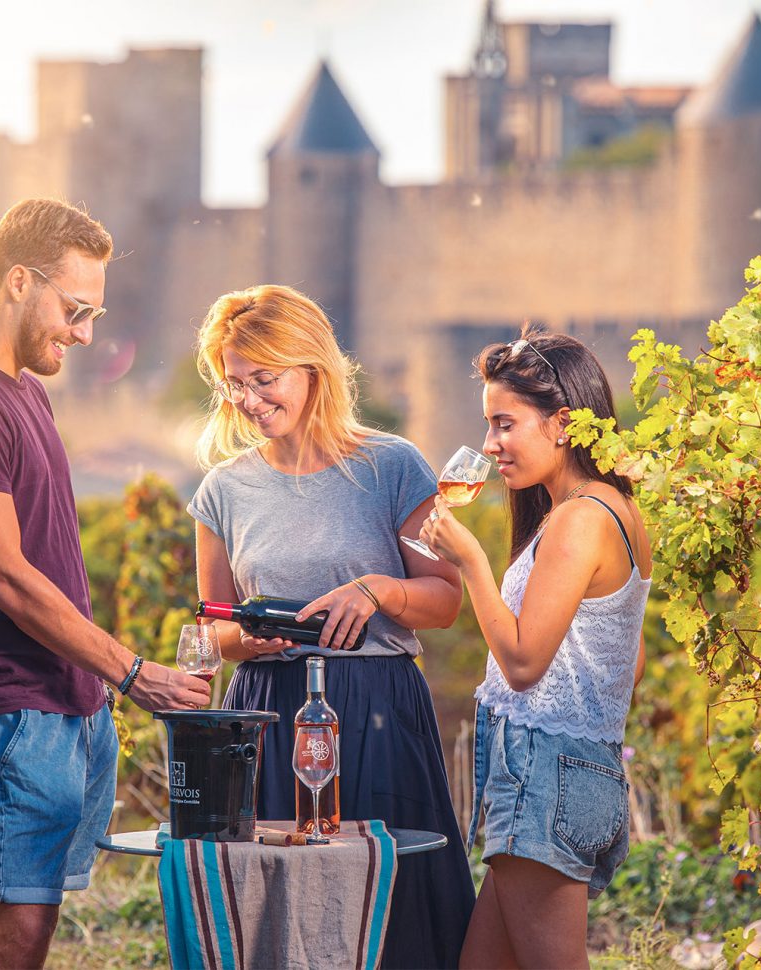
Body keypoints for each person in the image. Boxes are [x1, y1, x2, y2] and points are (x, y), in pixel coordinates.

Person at [0, 198, 210, 970]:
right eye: (75, 310)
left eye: (93, 314)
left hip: (54, 702)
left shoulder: (20, 391)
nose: (83, 334)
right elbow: (4, 575)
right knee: (20, 940)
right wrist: (132, 672)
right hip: (9, 709)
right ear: (16, 282)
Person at [188, 284, 477, 969]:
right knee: (277, 910)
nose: (250, 401)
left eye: (265, 379)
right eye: (235, 384)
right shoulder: (222, 492)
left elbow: (443, 600)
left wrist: (378, 591)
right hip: (263, 713)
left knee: (391, 906)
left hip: (376, 710)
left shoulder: (392, 466)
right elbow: (213, 630)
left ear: (312, 369)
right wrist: (246, 640)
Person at [418, 327, 652, 970]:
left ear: (562, 424)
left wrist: (471, 563)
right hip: (571, 767)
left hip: (544, 770)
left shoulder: (581, 519)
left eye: (504, 424)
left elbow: (522, 665)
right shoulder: (612, 509)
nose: (490, 446)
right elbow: (624, 661)